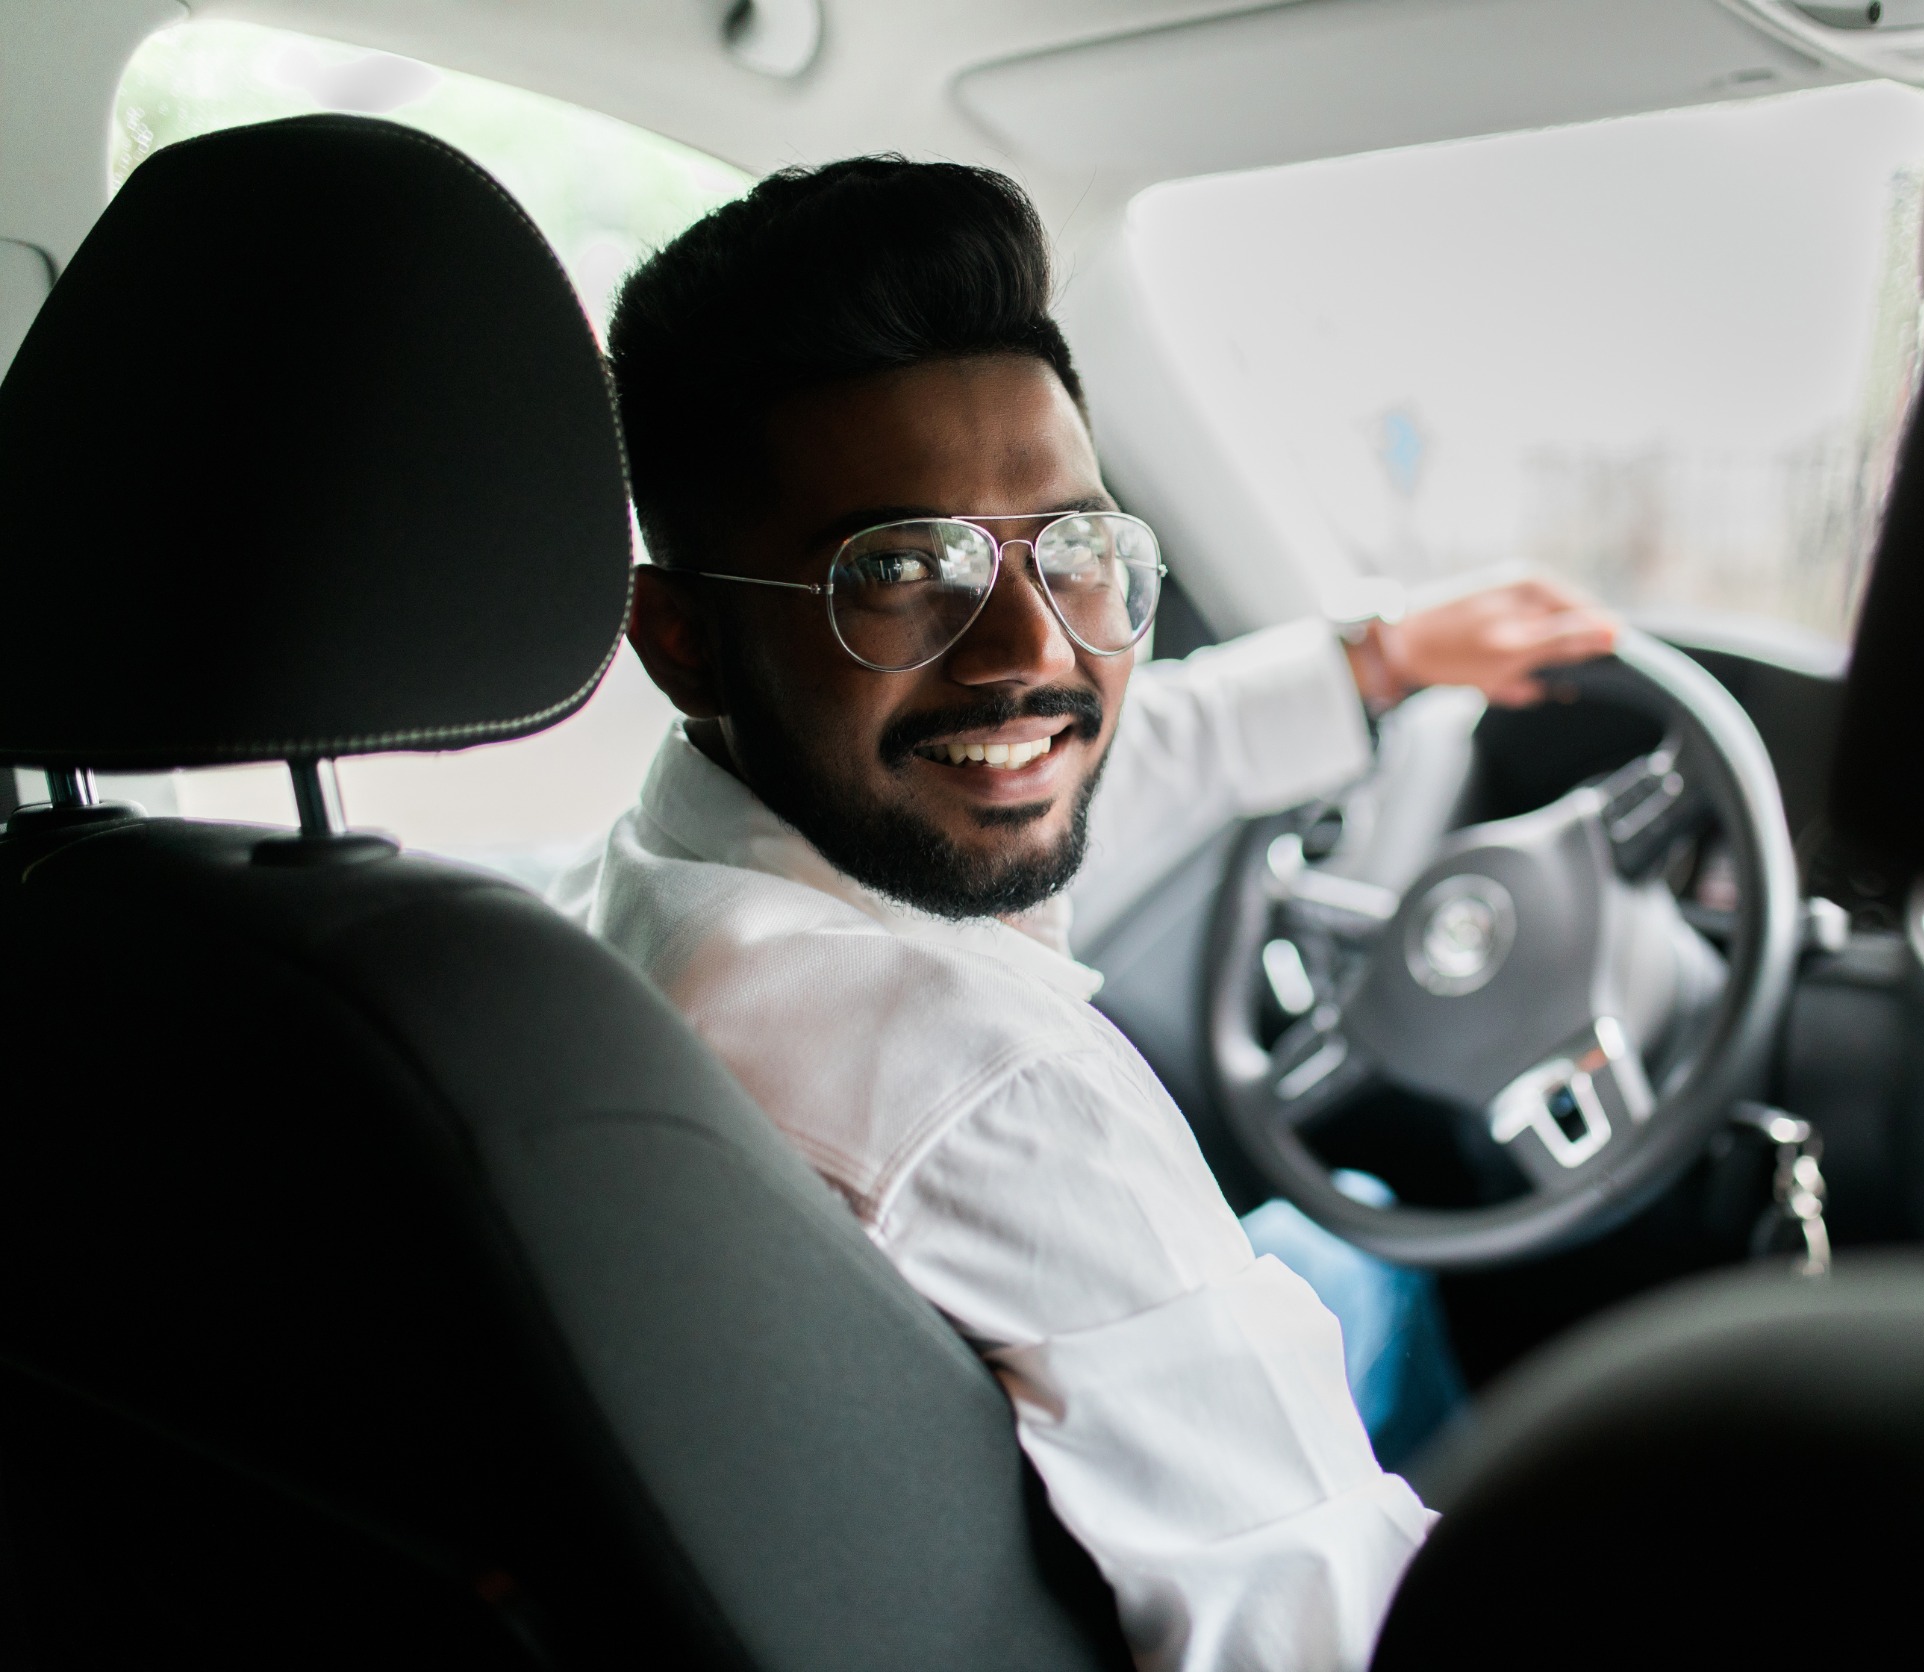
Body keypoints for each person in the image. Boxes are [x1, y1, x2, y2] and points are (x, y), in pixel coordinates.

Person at [552, 156, 1616, 1672]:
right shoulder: (989, 1087)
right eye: (903, 571)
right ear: (682, 640)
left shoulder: (667, 873)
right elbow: (1329, 1625)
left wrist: (1377, 661)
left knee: (1362, 1253)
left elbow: (1080, 743)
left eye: (1076, 546)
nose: (1030, 651)